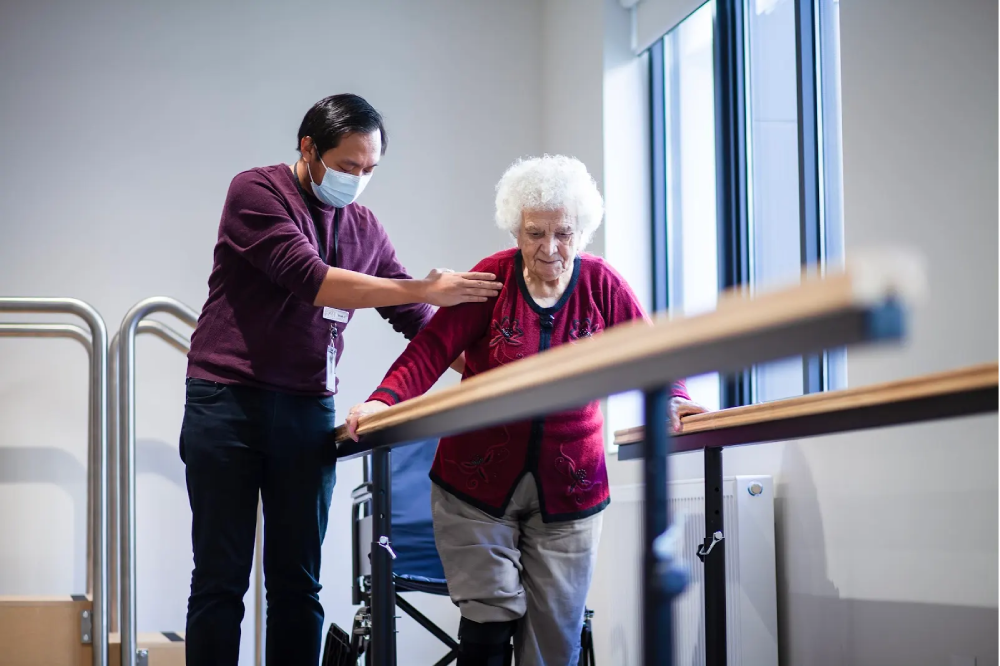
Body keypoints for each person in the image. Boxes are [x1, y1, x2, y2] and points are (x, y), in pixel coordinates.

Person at [180, 93, 502, 666]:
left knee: (298, 583)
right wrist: (425, 287)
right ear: (309, 149)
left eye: (369, 170)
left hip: (306, 408)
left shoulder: (364, 227)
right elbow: (314, 280)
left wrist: (485, 372)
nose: (357, 179)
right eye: (348, 166)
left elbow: (415, 323)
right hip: (226, 401)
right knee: (220, 581)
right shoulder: (255, 192)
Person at [346, 155, 707, 666]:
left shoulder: (601, 284)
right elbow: (430, 350)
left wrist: (674, 396)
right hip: (474, 482)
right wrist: (383, 401)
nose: (551, 247)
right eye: (536, 232)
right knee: (488, 615)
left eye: (564, 232)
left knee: (553, 639)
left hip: (572, 486)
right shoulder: (491, 279)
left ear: (581, 231)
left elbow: (652, 353)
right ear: (515, 227)